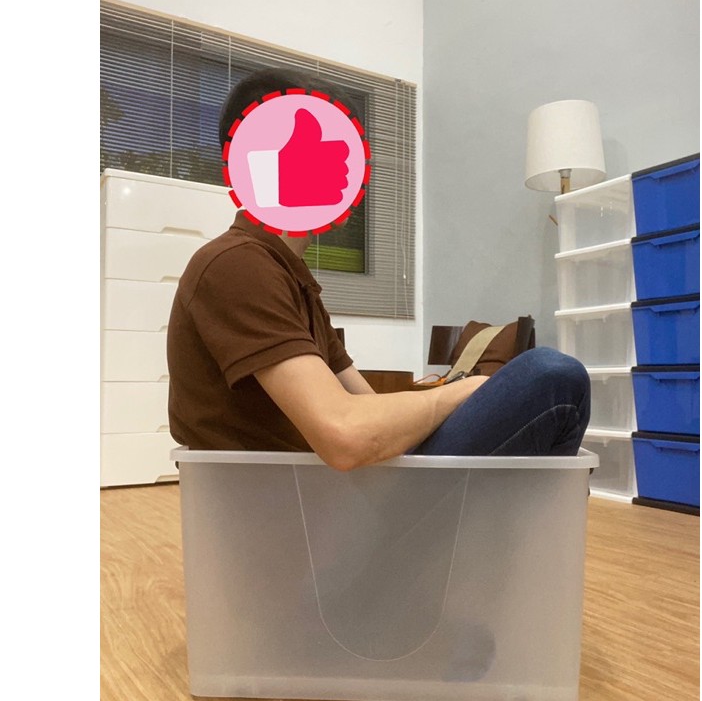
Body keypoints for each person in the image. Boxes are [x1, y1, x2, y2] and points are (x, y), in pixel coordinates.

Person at [167, 69, 590, 469]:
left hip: (340, 490)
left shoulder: (289, 276)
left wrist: (463, 395)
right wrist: (465, 391)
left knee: (542, 380)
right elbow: (345, 435)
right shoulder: (236, 265)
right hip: (304, 504)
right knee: (551, 375)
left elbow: (364, 407)